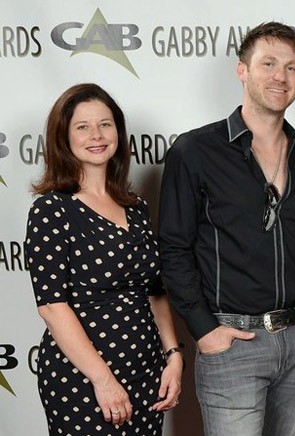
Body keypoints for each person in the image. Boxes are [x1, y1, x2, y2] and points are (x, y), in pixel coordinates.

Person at [158, 22, 295, 436]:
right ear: (242, 70)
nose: (280, 77)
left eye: (291, 68)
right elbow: (174, 248)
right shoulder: (195, 151)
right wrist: (204, 330)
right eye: (268, 64)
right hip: (232, 342)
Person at [24, 83, 183, 435]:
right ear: (63, 137)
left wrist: (173, 356)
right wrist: (104, 380)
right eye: (82, 127)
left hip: (145, 371)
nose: (96, 135)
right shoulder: (52, 209)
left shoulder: (136, 208)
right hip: (83, 379)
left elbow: (155, 292)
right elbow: (52, 306)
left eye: (105, 124)